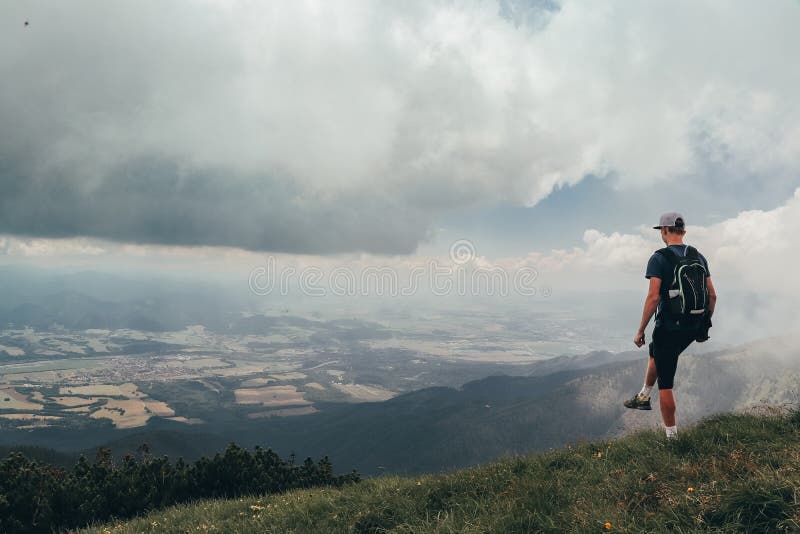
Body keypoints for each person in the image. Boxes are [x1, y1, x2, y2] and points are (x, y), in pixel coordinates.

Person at [623, 212, 717, 439]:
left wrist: (640, 330)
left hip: (670, 326)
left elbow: (653, 297)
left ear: (664, 231)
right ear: (683, 231)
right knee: (658, 351)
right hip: (693, 326)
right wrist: (704, 324)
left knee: (666, 381)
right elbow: (712, 295)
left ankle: (672, 439)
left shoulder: (659, 258)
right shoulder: (698, 256)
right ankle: (644, 395)